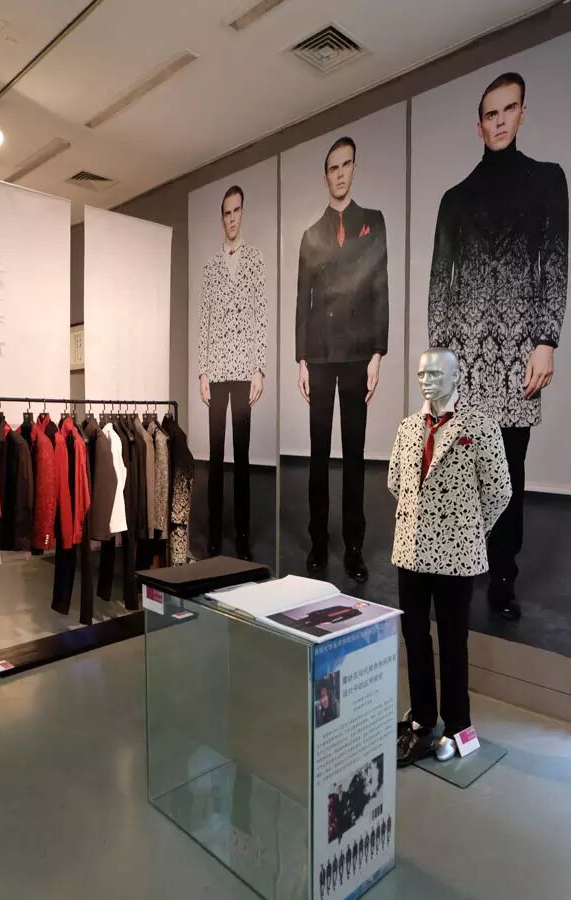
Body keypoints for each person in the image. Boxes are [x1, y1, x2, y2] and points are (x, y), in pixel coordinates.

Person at [428, 72, 568, 620]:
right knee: (462, 473)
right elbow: (440, 288)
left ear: (522, 113)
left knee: (509, 472)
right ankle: (464, 565)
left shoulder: (547, 180)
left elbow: (555, 264)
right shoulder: (455, 198)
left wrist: (547, 340)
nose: (501, 120)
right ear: (480, 124)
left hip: (517, 357)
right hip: (464, 361)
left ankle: (503, 577)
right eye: (491, 113)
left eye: (509, 109)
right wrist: (437, 372)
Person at [389, 349, 511, 766]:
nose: (427, 381)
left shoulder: (480, 427)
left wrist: (470, 529)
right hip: (411, 550)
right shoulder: (408, 427)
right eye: (422, 374)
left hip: (457, 555)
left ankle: (458, 725)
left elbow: (499, 490)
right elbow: (396, 482)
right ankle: (423, 719)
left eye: (436, 374)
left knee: (453, 639)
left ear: (457, 376)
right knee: (414, 634)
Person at [296, 135, 389, 583]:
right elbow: (303, 300)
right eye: (333, 167)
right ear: (325, 176)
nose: (339, 173)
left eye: (345, 165)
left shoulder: (373, 222)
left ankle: (354, 547)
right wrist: (301, 359)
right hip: (319, 356)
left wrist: (378, 353)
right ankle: (318, 542)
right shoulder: (310, 235)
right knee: (318, 454)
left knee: (354, 453)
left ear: (354, 168)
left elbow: (380, 289)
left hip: (356, 355)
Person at [199, 185, 268, 561]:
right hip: (216, 370)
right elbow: (204, 319)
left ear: (243, 213)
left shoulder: (255, 259)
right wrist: (202, 372)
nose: (231, 218)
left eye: (236, 211)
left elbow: (261, 314)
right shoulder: (211, 265)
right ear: (221, 217)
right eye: (226, 213)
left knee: (241, 455)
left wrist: (260, 369)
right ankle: (213, 533)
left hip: (243, 370)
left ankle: (242, 534)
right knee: (215, 455)